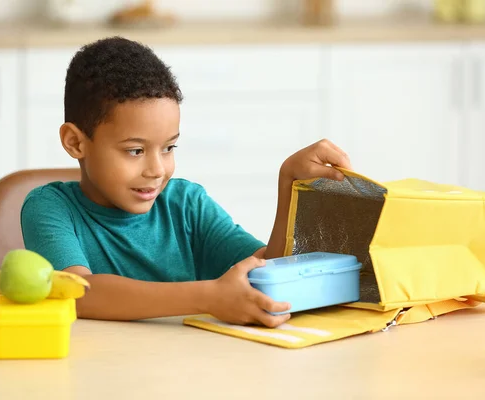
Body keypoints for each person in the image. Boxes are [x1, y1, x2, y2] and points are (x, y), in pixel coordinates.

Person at [21, 36, 352, 328]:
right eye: (135, 150)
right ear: (76, 143)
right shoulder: (50, 208)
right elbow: (79, 294)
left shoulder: (187, 205)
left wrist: (289, 188)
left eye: (168, 148)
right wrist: (208, 297)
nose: (157, 169)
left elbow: (263, 274)